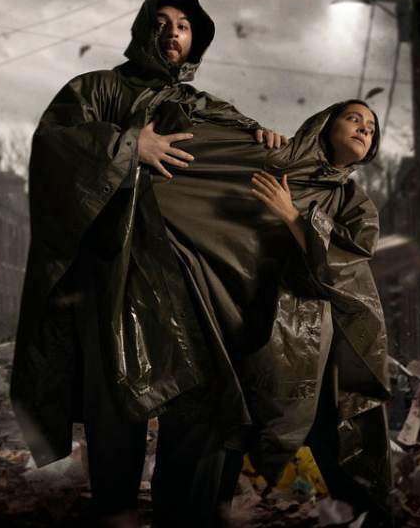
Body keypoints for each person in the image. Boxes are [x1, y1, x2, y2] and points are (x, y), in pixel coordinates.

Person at [9, 0, 284, 527]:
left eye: (183, 24)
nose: (171, 31)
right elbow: (53, 146)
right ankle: (117, 516)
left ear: (195, 38)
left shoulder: (213, 111)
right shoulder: (96, 90)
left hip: (188, 282)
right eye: (160, 20)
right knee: (116, 407)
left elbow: (252, 170)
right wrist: (132, 145)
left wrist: (265, 141)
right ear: (142, 29)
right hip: (115, 276)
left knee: (200, 398)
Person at [150, 99, 391, 526]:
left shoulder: (354, 201)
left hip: (310, 339)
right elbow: (206, 170)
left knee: (326, 431)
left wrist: (294, 217)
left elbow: (349, 261)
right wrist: (249, 134)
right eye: (353, 118)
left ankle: (373, 519)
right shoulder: (274, 159)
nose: (364, 128)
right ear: (324, 124)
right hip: (235, 316)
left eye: (371, 127)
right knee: (222, 426)